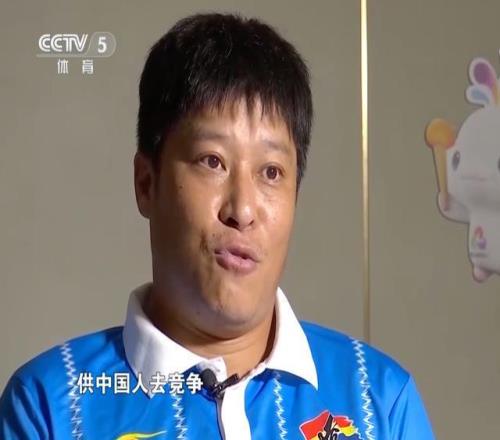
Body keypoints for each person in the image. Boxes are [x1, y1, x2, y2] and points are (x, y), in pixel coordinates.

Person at [0, 12, 435, 440]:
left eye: (271, 172)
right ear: (146, 183)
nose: (242, 210)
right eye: (213, 162)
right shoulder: (49, 407)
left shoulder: (379, 400)